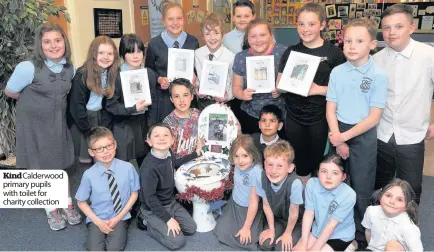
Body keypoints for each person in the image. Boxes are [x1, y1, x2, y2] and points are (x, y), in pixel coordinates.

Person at [5, 23, 82, 231]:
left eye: (58, 40)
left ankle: (66, 203)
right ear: (40, 45)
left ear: (64, 42)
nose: (53, 45)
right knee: (41, 165)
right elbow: (10, 92)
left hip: (57, 123)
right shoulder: (27, 67)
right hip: (33, 125)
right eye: (47, 42)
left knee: (61, 163)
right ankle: (52, 209)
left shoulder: (70, 68)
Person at [326, 18, 388, 248]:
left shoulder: (378, 75)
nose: (352, 46)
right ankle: (338, 229)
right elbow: (330, 108)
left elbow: (374, 117)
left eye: (359, 41)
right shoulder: (337, 72)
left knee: (361, 187)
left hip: (363, 134)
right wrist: (337, 136)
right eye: (348, 41)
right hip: (337, 131)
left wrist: (344, 137)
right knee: (336, 183)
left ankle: (361, 237)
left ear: (372, 44)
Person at [275, 3, 346, 185]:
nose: (305, 29)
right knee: (299, 162)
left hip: (320, 117)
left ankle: (316, 199)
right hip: (294, 116)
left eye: (311, 24)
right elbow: (280, 85)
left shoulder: (334, 54)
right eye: (301, 24)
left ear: (322, 25)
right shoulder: (291, 52)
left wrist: (317, 89)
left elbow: (343, 89)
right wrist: (286, 85)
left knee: (317, 161)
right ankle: (303, 202)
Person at [373, 3, 434, 204]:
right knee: (382, 185)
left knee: (412, 188)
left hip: (412, 133)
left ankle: (409, 232)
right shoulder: (376, 60)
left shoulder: (428, 56)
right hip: (382, 132)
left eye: (398, 26)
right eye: (387, 27)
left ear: (412, 27)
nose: (391, 33)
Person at [139, 123, 202, 250]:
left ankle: (163, 222)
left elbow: (176, 162)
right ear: (149, 141)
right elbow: (151, 199)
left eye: (166, 135)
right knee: (177, 242)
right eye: (156, 136)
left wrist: (196, 153)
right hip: (153, 209)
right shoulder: (149, 168)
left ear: (173, 140)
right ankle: (146, 221)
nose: (161, 138)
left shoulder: (168, 153)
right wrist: (168, 220)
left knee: (191, 228)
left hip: (170, 202)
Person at [75, 127, 140, 251]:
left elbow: (134, 194)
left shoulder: (128, 168)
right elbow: (81, 202)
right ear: (91, 152)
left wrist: (118, 218)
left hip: (120, 216)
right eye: (99, 149)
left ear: (115, 144)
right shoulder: (89, 174)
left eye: (109, 146)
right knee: (94, 248)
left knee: (114, 248)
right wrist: (98, 222)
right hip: (97, 216)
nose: (105, 152)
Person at [105, 34, 157, 167]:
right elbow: (111, 106)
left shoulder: (149, 74)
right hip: (123, 124)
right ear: (122, 54)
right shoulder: (115, 75)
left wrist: (152, 128)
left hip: (144, 123)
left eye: (139, 51)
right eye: (130, 52)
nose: (136, 56)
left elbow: (154, 104)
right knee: (123, 164)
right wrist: (132, 108)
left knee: (146, 162)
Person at [145, 2, 199, 122]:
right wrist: (159, 79)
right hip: (164, 99)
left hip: (186, 99)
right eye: (170, 19)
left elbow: (196, 68)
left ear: (184, 20)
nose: (175, 23)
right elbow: (148, 70)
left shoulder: (193, 42)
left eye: (179, 18)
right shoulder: (154, 44)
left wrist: (195, 75)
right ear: (163, 21)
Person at [69, 36, 119, 164]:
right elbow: (76, 107)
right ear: (93, 54)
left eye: (110, 53)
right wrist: (88, 131)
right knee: (87, 158)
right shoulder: (82, 74)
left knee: (103, 156)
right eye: (101, 53)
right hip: (84, 120)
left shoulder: (112, 73)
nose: (106, 57)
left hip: (101, 116)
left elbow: (108, 102)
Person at [232, 19, 286, 134]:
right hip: (251, 114)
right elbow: (236, 87)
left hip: (279, 114)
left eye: (263, 35)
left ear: (270, 36)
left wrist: (282, 89)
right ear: (247, 38)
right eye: (253, 36)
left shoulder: (283, 53)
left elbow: (292, 83)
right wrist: (242, 94)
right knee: (253, 149)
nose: (258, 40)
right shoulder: (241, 57)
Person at [293, 154, 356, 252]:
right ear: (318, 173)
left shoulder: (349, 194)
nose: (328, 177)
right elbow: (309, 213)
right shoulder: (312, 184)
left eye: (335, 173)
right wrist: (303, 243)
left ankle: (351, 244)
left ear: (343, 177)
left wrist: (315, 249)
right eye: (324, 171)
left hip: (339, 235)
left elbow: (331, 225)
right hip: (318, 229)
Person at [214, 135, 264, 250]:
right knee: (221, 232)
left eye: (245, 156)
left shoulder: (256, 172)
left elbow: (253, 202)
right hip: (235, 203)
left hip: (250, 208)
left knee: (247, 240)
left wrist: (247, 227)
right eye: (236, 156)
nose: (240, 161)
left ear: (253, 154)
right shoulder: (238, 165)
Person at [257, 140, 303, 251]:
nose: (273, 170)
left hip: (296, 222)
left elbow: (294, 213)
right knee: (265, 244)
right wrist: (271, 229)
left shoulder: (295, 183)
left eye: (279, 166)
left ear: (290, 168)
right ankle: (276, 230)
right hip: (278, 219)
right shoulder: (262, 176)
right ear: (264, 165)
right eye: (270, 165)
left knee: (280, 249)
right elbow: (266, 205)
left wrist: (287, 234)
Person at [361, 179, 423, 251]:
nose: (392, 201)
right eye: (388, 195)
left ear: (407, 205)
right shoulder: (371, 211)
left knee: (392, 247)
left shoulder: (409, 227)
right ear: (380, 196)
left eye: (399, 199)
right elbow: (368, 231)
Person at [195, 13, 235, 110]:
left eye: (216, 33)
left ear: (222, 34)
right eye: (208, 34)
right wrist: (196, 90)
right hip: (203, 103)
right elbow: (196, 79)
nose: (212, 38)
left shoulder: (230, 57)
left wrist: (227, 96)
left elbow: (234, 83)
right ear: (203, 36)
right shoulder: (197, 54)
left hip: (223, 103)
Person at [163, 78, 201, 159]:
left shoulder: (197, 114)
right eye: (176, 96)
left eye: (185, 95)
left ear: (192, 96)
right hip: (179, 166)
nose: (181, 100)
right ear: (171, 99)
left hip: (199, 162)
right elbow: (166, 154)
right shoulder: (168, 123)